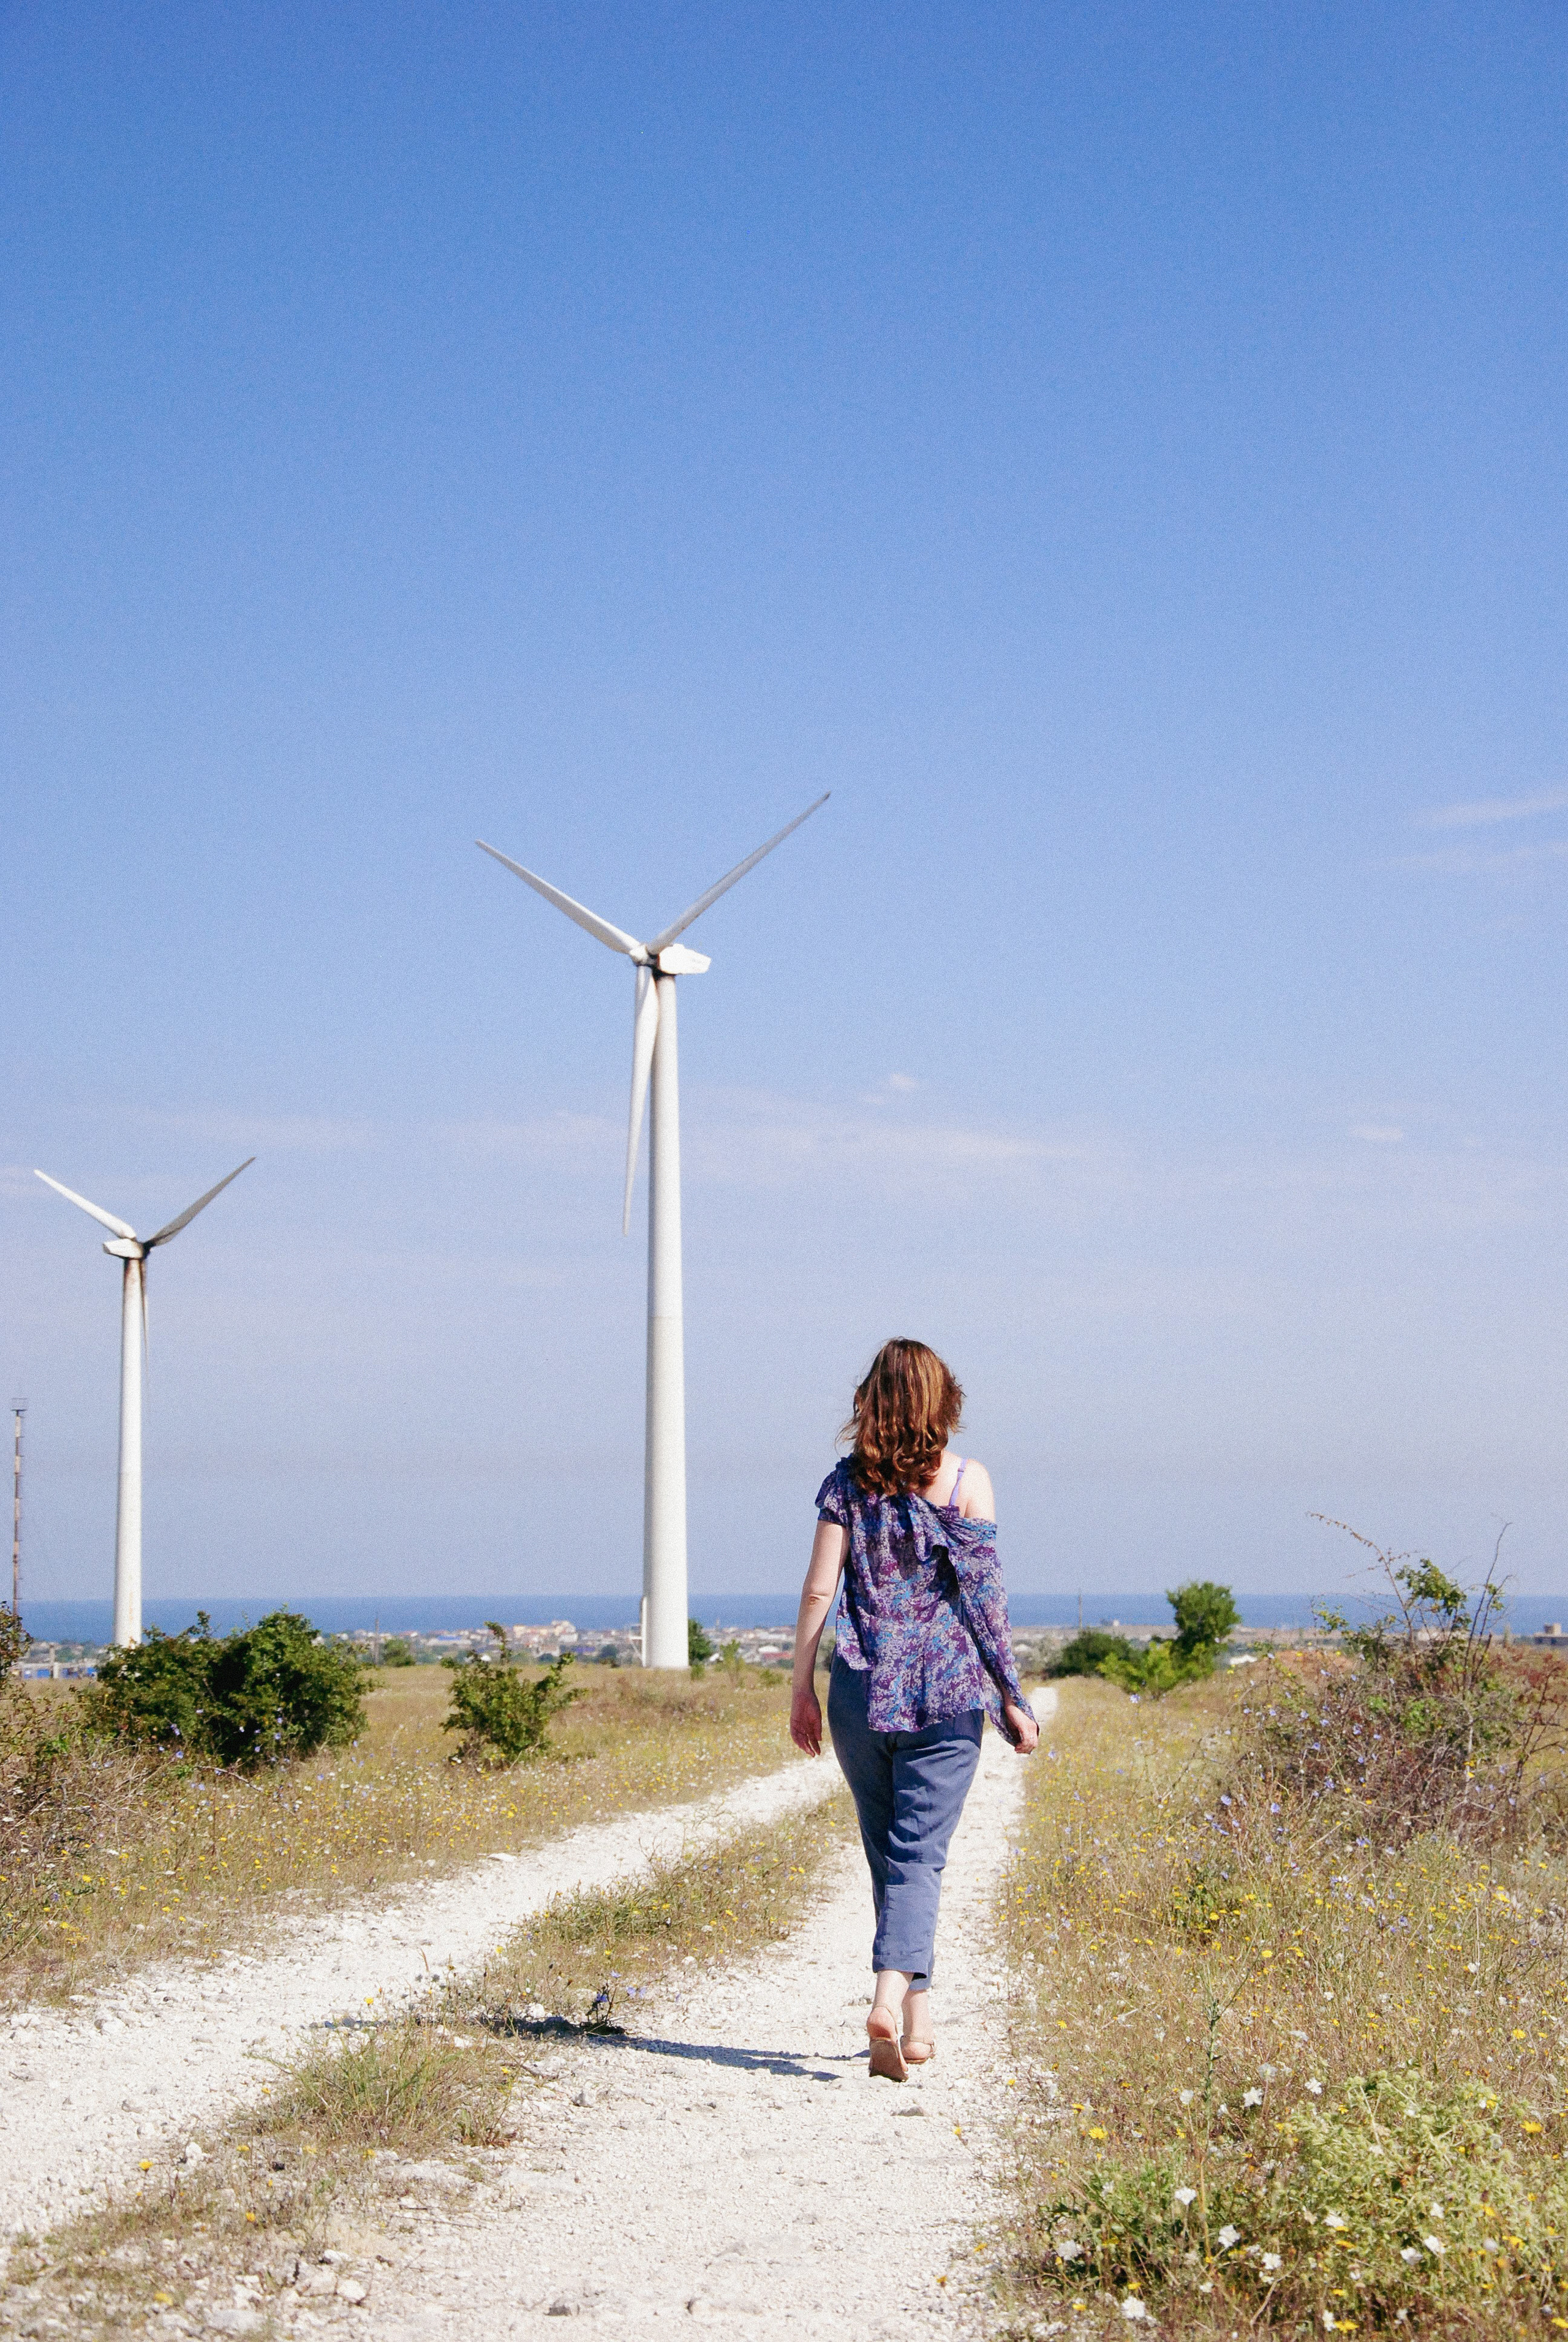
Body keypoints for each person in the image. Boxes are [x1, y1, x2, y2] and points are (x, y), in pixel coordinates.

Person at [789, 1338, 1038, 2080]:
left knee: (890, 1856)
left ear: (871, 1398)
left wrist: (800, 1685)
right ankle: (888, 1996)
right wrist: (1010, 1696)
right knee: (918, 1855)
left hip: (859, 1692)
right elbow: (987, 1603)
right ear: (943, 1400)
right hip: (945, 1691)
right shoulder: (967, 1480)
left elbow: (815, 1592)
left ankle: (920, 2026)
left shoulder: (844, 1484)